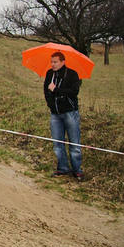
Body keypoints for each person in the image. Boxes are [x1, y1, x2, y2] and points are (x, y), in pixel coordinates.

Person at [44, 51, 83, 180]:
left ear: (62, 62)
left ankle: (77, 170)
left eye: (55, 62)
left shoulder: (72, 74)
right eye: (51, 62)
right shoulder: (50, 74)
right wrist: (50, 104)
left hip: (70, 113)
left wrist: (56, 90)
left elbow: (74, 92)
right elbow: (46, 90)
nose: (53, 64)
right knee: (57, 143)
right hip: (55, 114)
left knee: (74, 143)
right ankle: (63, 168)